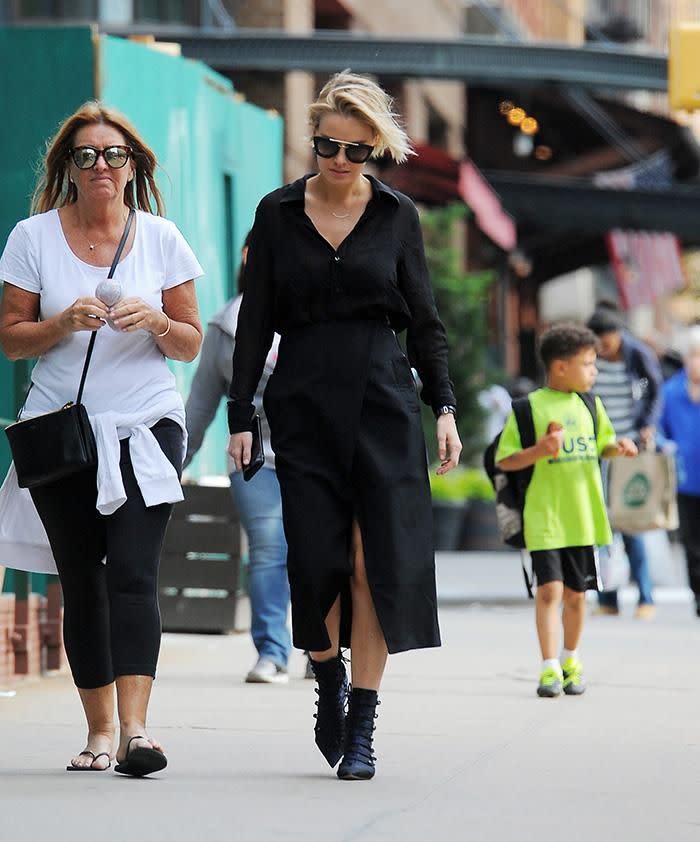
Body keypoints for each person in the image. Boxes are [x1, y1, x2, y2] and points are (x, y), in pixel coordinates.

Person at [227, 71, 462, 781]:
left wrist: (444, 406)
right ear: (314, 138)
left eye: (356, 150)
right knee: (314, 563)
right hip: (301, 399)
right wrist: (242, 415)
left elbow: (425, 321)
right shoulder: (277, 214)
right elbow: (254, 322)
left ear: (376, 149)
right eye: (329, 144)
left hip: (384, 400)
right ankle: (326, 678)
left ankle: (361, 721)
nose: (339, 159)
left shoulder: (396, 216)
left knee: (371, 565)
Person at [0, 102, 203, 775]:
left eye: (114, 155)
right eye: (85, 156)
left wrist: (156, 323)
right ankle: (97, 732)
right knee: (82, 581)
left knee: (135, 573)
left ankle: (137, 733)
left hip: (147, 425)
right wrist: (60, 325)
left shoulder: (163, 238)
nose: (101, 166)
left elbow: (191, 341)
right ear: (68, 168)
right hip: (62, 433)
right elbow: (9, 338)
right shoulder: (31, 236)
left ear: (133, 165)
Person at [496, 324, 637, 698]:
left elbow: (603, 442)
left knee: (577, 595)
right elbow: (506, 460)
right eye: (588, 364)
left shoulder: (591, 405)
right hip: (544, 517)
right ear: (560, 367)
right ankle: (548, 668)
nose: (594, 372)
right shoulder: (528, 409)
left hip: (582, 516)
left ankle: (571, 658)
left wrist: (617, 447)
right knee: (549, 591)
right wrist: (539, 451)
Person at [184, 234, 292, 683]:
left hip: (317, 455)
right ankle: (273, 652)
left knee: (321, 550)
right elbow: (200, 407)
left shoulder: (316, 317)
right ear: (249, 258)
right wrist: (167, 469)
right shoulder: (225, 327)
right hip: (254, 457)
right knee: (269, 548)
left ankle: (326, 650)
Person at [587, 301, 663, 619]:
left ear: (618, 335)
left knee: (630, 523)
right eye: (597, 344)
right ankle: (608, 599)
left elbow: (655, 390)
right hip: (597, 450)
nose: (603, 350)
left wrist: (647, 425)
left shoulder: (636, 354)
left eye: (607, 343)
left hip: (629, 449)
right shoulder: (587, 358)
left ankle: (645, 597)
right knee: (603, 526)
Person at [660, 326, 700, 617]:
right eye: (693, 355)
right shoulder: (671, 391)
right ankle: (698, 595)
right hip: (686, 480)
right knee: (691, 544)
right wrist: (665, 446)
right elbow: (659, 429)